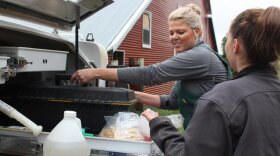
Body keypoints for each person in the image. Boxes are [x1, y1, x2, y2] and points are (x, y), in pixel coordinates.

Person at [141, 6, 280, 156]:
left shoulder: (220, 99)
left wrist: (159, 125)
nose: (174, 36)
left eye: (227, 37)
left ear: (235, 46)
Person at [71, 4, 230, 128]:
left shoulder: (200, 56)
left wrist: (96, 73)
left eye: (180, 32)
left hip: (212, 136)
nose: (173, 37)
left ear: (196, 31)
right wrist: (130, 94)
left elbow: (151, 75)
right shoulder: (190, 58)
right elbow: (172, 101)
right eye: (171, 32)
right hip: (198, 133)